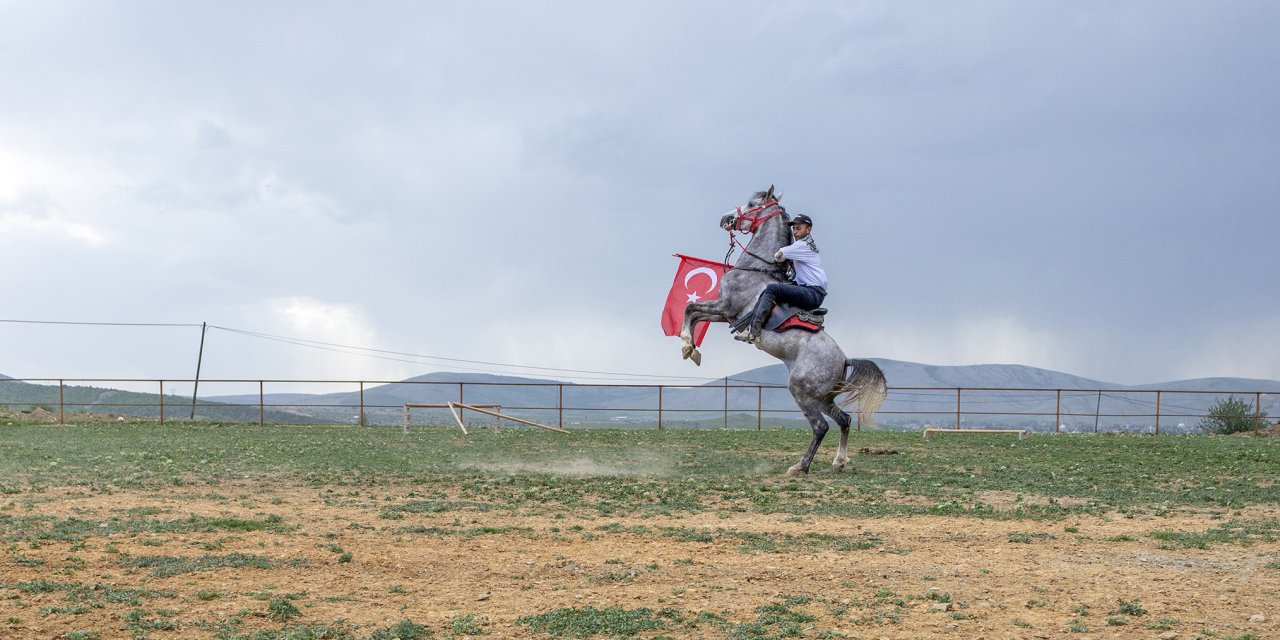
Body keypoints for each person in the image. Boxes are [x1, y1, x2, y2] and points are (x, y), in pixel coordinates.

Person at [735, 214, 828, 343]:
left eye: (799, 228)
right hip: (812, 292)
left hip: (812, 293)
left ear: (808, 230)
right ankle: (748, 326)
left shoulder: (802, 246)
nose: (795, 232)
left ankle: (754, 332)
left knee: (772, 289)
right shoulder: (805, 246)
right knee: (768, 291)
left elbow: (780, 254)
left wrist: (779, 259)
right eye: (794, 229)